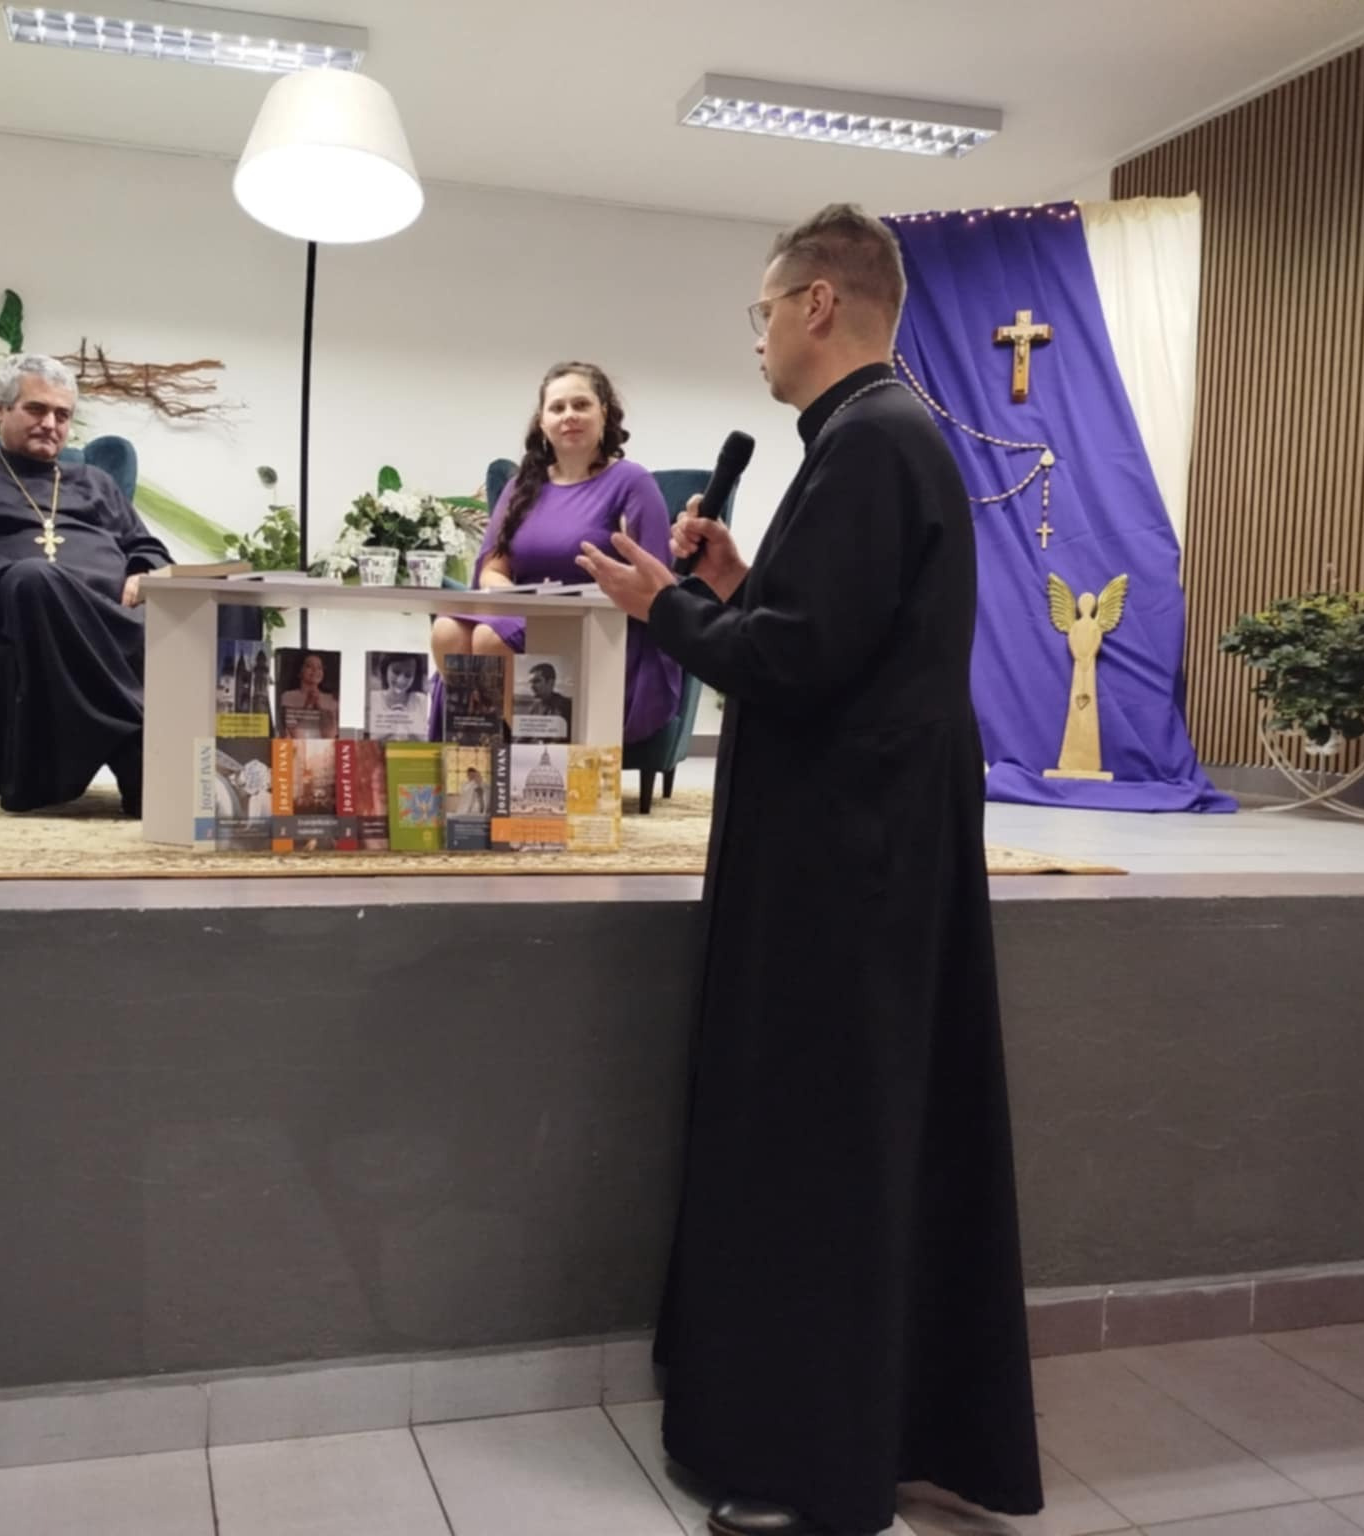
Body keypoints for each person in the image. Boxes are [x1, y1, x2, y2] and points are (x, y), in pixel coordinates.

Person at [577, 204, 1043, 1535]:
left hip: (845, 869)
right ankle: (842, 1432)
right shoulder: (881, 437)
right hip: (867, 850)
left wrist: (664, 606)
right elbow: (830, 634)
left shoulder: (870, 442)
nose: (760, 336)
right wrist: (733, 583)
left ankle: (817, 1468)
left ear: (819, 304)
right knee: (847, 1142)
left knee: (821, 1152)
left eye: (764, 310)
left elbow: (793, 667)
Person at [0, 355, 169, 815]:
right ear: (1, 411)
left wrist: (143, 570)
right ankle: (142, 750)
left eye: (62, 415)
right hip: (33, 608)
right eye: (36, 409)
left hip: (116, 617)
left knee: (226, 601)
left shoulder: (96, 482)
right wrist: (0, 572)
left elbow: (147, 546)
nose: (50, 424)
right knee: (33, 577)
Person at [431, 362, 681, 743]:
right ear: (542, 422)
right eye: (558, 407)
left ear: (604, 413)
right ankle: (484, 754)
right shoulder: (522, 486)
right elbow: (492, 571)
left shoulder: (632, 483)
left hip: (599, 629)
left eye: (581, 405)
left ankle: (543, 752)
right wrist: (518, 602)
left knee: (489, 639)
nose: (569, 416)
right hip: (522, 613)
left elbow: (655, 581)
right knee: (446, 630)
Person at [279, 652, 341, 738]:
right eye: (309, 666)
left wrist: (319, 708)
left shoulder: (331, 699)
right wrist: (307, 706)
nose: (315, 670)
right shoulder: (288, 696)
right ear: (299, 671)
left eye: (319, 667)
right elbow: (294, 735)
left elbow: (330, 735)